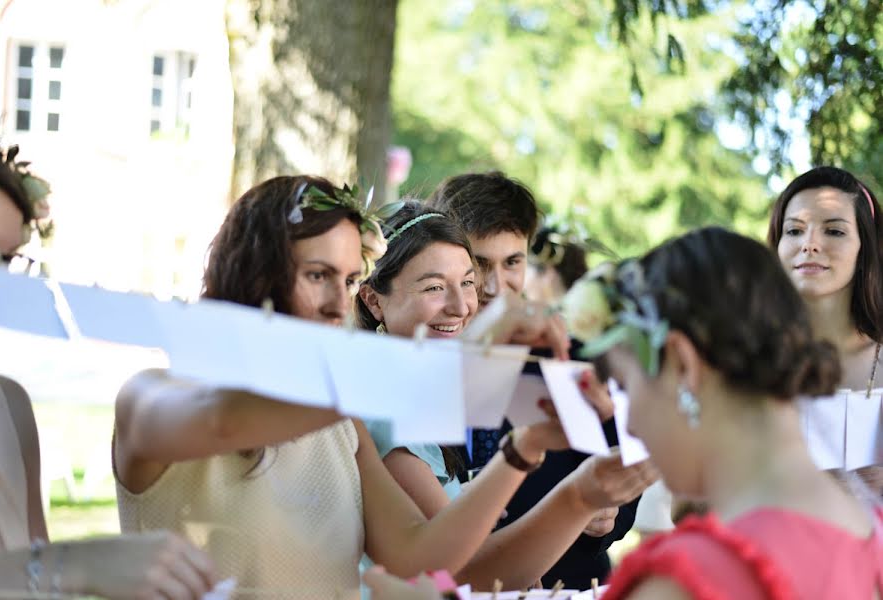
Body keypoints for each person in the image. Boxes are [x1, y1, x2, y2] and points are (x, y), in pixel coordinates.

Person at [113, 175, 582, 598]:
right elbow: (223, 422)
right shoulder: (151, 395)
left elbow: (422, 559)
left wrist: (542, 460)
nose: (340, 302)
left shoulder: (343, 422)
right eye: (319, 276)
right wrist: (469, 355)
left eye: (352, 279)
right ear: (254, 273)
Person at [356, 203, 657, 589]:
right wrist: (576, 494)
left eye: (467, 282)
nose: (462, 305)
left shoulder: (418, 397)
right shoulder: (382, 408)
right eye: (433, 287)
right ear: (373, 300)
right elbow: (462, 569)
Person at [575, 227, 882, 598]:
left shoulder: (686, 581)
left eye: (626, 387)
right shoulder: (869, 533)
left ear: (682, 364)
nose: (631, 425)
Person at [0, 138, 218, 599]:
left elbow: (36, 574)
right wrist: (79, 563)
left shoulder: (9, 405)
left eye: (6, 259)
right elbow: (47, 569)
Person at [428, 172, 643, 588]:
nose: (494, 286)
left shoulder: (569, 354)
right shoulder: (427, 357)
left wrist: (610, 515)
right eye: (479, 263)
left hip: (568, 583)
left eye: (513, 262)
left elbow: (618, 456)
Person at [767, 166, 883, 489]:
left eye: (834, 231)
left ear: (865, 248)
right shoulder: (746, 362)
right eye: (794, 231)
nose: (809, 244)